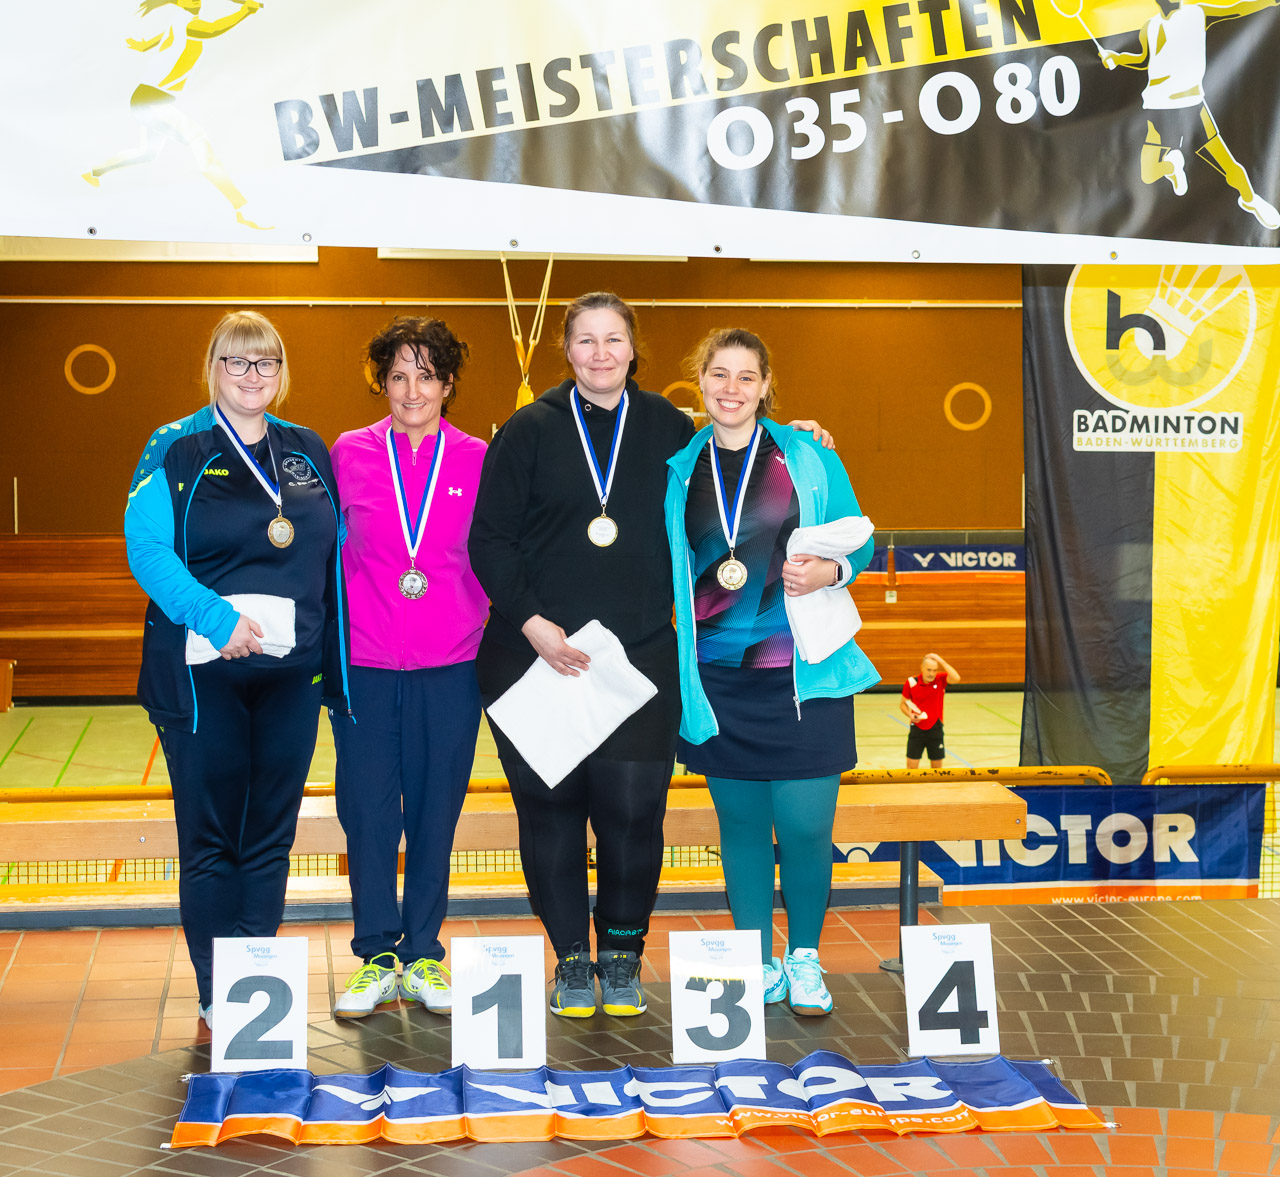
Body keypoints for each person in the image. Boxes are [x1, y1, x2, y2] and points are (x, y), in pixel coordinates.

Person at [469, 293, 830, 1020]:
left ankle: (622, 954)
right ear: (566, 350)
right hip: (537, 655)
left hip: (637, 661)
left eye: (614, 339)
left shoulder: (670, 429)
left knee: (634, 813)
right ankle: (572, 958)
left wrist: (798, 435)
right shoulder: (527, 430)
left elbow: (736, 451)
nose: (600, 353)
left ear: (634, 350)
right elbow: (489, 541)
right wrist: (534, 625)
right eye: (586, 340)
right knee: (551, 813)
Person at [124, 310, 349, 1027]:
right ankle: (216, 988)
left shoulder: (306, 448)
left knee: (271, 835)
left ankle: (255, 979)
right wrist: (215, 619)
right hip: (205, 675)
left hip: (290, 676)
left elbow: (333, 547)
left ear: (282, 372)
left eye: (266, 362)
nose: (253, 375)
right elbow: (146, 548)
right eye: (237, 361)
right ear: (214, 368)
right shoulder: (176, 447)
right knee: (212, 837)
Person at [665, 328, 877, 1017]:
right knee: (743, 828)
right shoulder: (678, 468)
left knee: (808, 825)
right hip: (718, 679)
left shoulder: (808, 455)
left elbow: (861, 541)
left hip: (803, 675)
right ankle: (756, 960)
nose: (731, 388)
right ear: (700, 381)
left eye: (746, 377)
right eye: (719, 374)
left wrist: (831, 569)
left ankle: (805, 956)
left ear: (764, 387)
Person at [328, 318, 487, 1019]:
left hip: (451, 665)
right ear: (382, 383)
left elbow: (502, 549)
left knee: (434, 811)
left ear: (447, 383)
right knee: (367, 813)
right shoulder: (348, 452)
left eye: (426, 375)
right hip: (365, 663)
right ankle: (376, 955)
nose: (412, 390)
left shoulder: (479, 457)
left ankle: (423, 953)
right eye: (398, 376)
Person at [1099, 0, 1280, 231]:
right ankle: (1246, 197)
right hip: (1174, 105)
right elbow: (1144, 59)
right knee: (1218, 163)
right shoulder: (1157, 24)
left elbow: (1235, 10)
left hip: (1174, 106)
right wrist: (1117, 57)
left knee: (1155, 172)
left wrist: (1268, 1)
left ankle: (1175, 168)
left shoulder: (1188, 15)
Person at [901, 653, 961, 769]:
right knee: (911, 769)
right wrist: (910, 715)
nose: (931, 674)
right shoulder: (912, 682)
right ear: (922, 668)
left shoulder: (940, 679)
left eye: (934, 670)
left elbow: (956, 678)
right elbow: (903, 704)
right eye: (929, 670)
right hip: (916, 729)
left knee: (937, 770)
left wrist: (941, 660)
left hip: (936, 729)